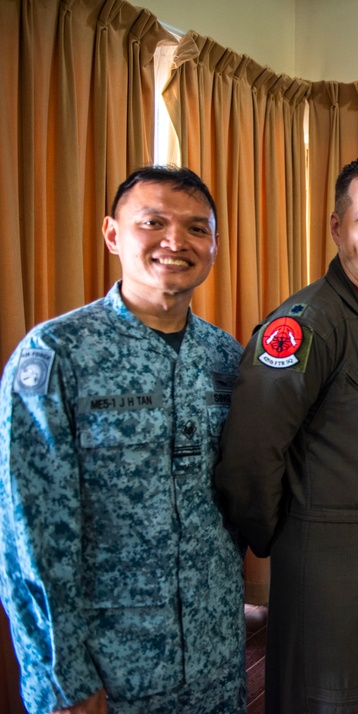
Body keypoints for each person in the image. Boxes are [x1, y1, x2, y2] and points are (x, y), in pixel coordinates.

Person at [0, 166, 246, 714]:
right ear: (113, 234)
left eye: (196, 229)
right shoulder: (57, 355)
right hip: (110, 670)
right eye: (153, 223)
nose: (175, 242)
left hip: (214, 659)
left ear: (213, 244)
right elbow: (30, 536)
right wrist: (62, 681)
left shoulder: (225, 357)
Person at [214, 156, 358, 714]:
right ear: (337, 226)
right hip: (331, 575)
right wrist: (294, 540)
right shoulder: (305, 324)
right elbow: (250, 458)